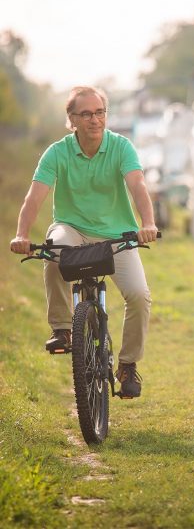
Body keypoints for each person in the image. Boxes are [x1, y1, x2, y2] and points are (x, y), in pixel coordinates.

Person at [9, 86, 158, 398]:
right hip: (72, 228)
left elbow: (138, 185)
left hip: (118, 235)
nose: (95, 119)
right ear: (72, 119)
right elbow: (34, 197)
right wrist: (22, 234)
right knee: (53, 252)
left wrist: (148, 223)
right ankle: (62, 329)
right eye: (86, 113)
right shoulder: (57, 152)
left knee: (140, 296)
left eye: (100, 112)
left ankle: (128, 365)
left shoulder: (121, 147)